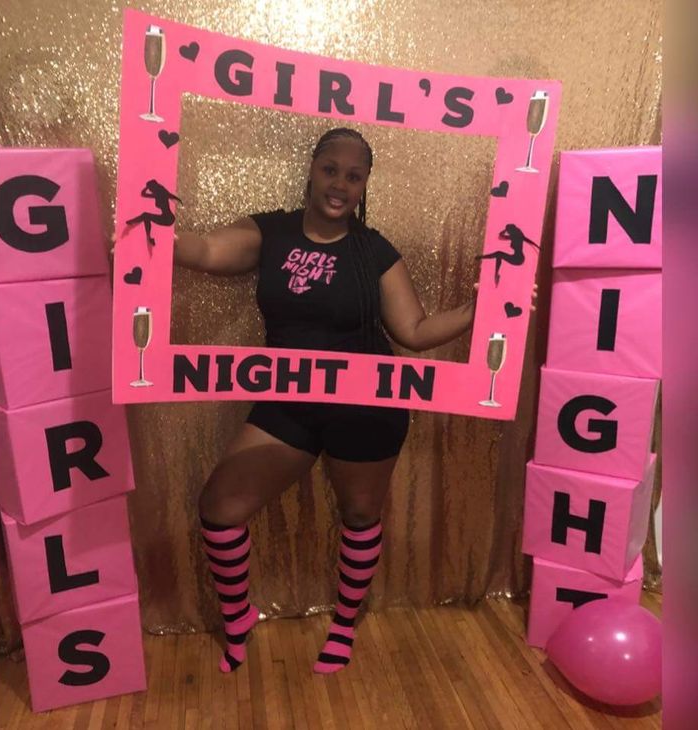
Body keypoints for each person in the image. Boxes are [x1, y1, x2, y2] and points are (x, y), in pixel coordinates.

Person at [148, 127, 536, 675]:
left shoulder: (373, 250)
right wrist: (152, 236)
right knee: (220, 509)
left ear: (364, 185)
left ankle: (344, 625)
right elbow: (208, 250)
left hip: (366, 406)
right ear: (313, 168)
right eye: (331, 169)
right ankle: (238, 617)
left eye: (354, 176)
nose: (340, 185)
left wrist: (482, 309)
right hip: (288, 402)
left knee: (359, 515)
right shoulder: (273, 231)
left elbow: (415, 329)